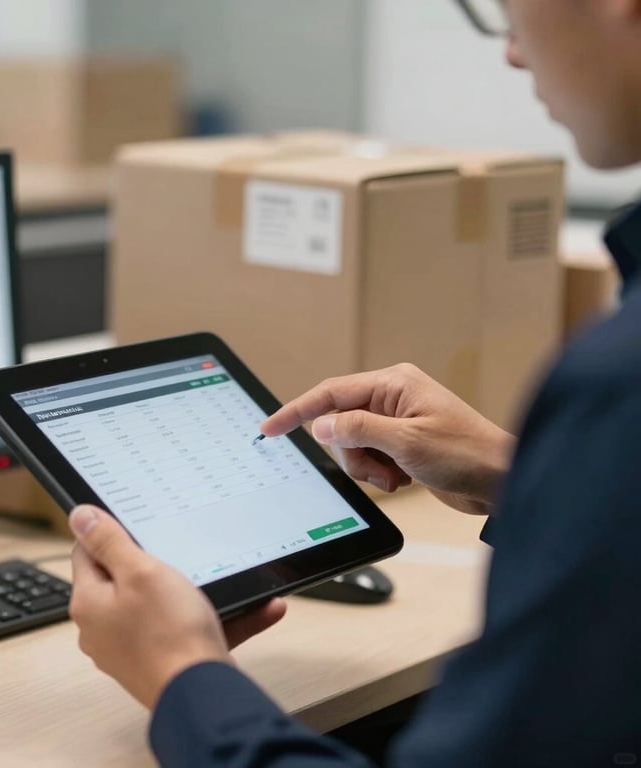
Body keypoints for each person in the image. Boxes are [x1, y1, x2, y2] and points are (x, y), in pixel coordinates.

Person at [66, 0, 641, 765]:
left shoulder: (619, 379)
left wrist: (180, 673)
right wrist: (528, 478)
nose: (511, 53)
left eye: (508, 9)